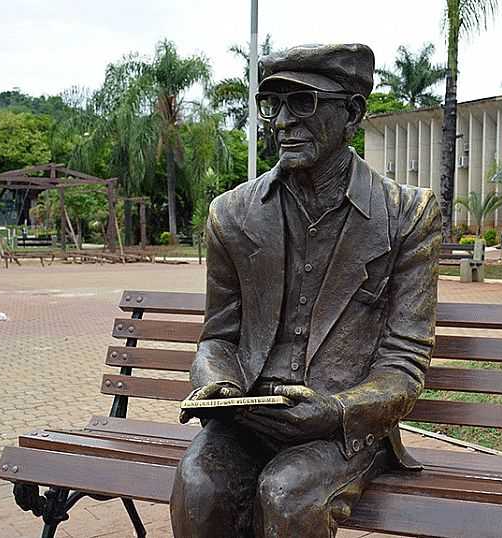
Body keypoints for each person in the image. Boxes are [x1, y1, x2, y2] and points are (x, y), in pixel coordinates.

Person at [170, 43, 441, 538]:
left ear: (352, 113)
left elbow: (404, 360)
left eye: (304, 102)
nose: (281, 122)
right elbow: (219, 338)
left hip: (342, 429)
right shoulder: (231, 214)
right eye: (273, 104)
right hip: (249, 419)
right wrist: (218, 386)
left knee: (287, 493)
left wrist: (338, 411)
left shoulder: (406, 215)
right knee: (199, 483)